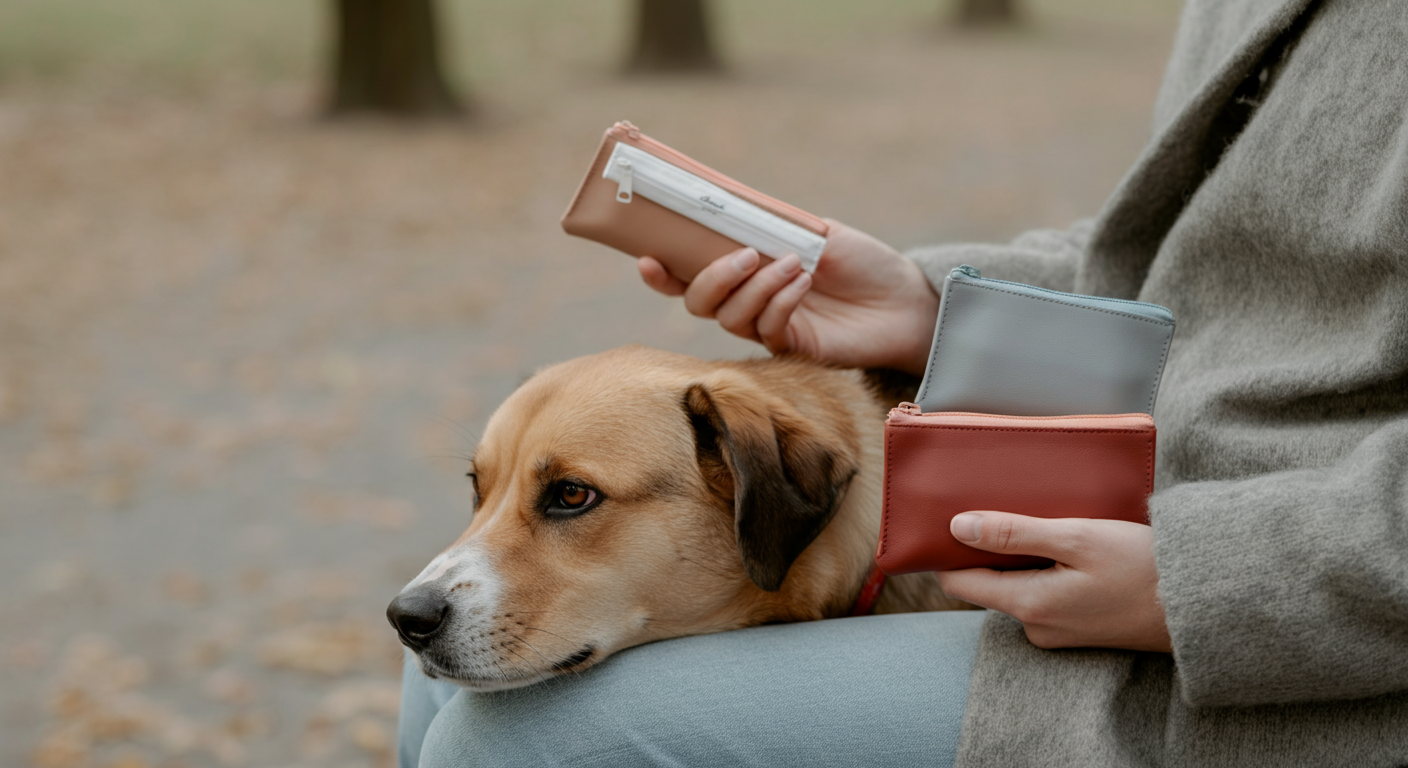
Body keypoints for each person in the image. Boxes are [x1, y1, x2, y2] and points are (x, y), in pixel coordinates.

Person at [398, 0, 1408, 765]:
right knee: (430, 673)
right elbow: (1171, 261)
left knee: (516, 741)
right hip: (1133, 514)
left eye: (567, 501)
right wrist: (937, 305)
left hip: (1296, 653)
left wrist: (1199, 584)